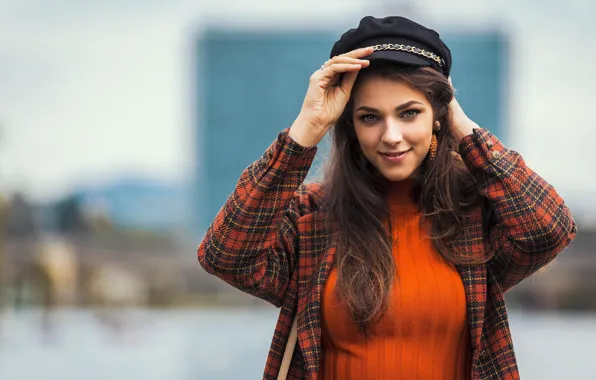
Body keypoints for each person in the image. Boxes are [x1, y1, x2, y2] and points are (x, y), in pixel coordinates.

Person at [197, 15, 577, 380]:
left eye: (409, 113)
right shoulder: (313, 218)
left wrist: (464, 131)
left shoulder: (476, 217)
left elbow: (549, 230)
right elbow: (226, 256)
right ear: (351, 127)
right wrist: (305, 131)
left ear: (438, 117)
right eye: (370, 117)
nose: (391, 135)